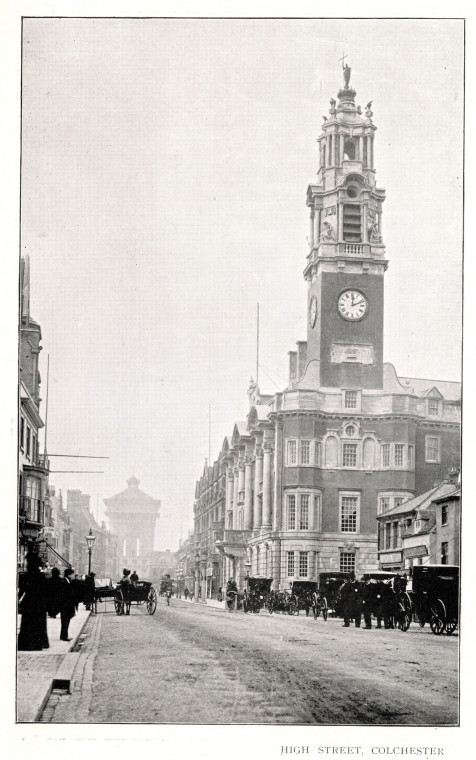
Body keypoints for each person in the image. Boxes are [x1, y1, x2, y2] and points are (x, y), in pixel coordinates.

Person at [18, 551, 49, 651]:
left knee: (27, 624)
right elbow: (45, 591)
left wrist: (17, 600)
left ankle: (26, 644)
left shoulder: (26, 575)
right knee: (39, 624)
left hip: (29, 603)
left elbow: (22, 590)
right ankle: (38, 643)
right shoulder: (41, 576)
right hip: (39, 603)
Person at [59, 567, 76, 642]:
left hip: (67, 605)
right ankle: (64, 636)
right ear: (69, 575)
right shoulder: (64, 582)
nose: (73, 576)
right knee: (65, 621)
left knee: (66, 621)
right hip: (65, 605)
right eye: (72, 574)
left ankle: (64, 635)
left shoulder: (67, 581)